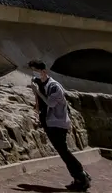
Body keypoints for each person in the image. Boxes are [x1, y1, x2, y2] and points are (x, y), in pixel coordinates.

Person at [28, 60, 90, 191]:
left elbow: (50, 103)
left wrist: (37, 91)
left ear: (44, 71)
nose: (34, 74)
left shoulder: (54, 86)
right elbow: (40, 102)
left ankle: (81, 176)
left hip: (58, 123)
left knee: (63, 150)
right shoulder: (39, 82)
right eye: (32, 71)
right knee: (62, 151)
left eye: (36, 71)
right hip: (49, 121)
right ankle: (79, 177)